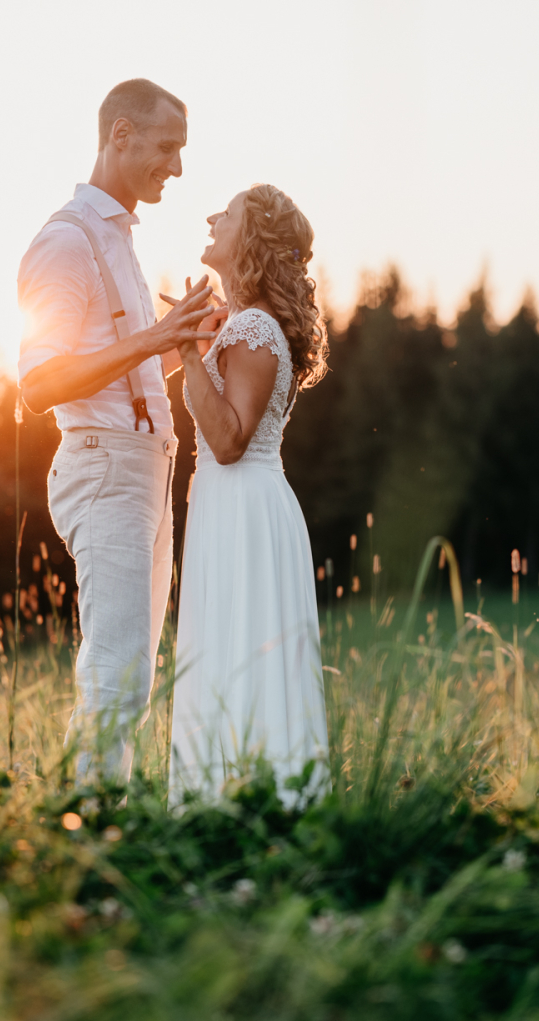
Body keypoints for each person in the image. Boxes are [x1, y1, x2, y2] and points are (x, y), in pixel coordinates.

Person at [18, 79, 220, 780]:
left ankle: (103, 823)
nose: (179, 166)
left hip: (146, 471)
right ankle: (89, 837)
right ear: (121, 136)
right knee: (115, 674)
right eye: (168, 147)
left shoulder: (118, 240)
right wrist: (150, 340)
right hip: (106, 471)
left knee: (131, 674)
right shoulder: (67, 242)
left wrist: (182, 340)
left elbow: (122, 379)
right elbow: (40, 382)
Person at [168, 184, 329, 803]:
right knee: (229, 649)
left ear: (252, 237)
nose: (212, 217)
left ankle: (250, 803)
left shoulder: (257, 326)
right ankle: (230, 800)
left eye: (226, 213)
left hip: (244, 504)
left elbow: (229, 438)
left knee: (244, 652)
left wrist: (187, 349)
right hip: (230, 504)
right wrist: (199, 341)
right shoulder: (244, 325)